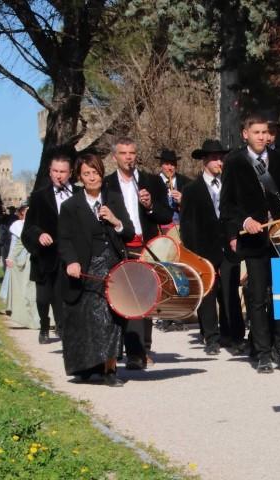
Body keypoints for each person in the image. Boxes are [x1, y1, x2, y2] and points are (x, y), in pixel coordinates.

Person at [220, 112, 280, 373]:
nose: (262, 137)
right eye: (257, 132)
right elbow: (227, 205)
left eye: (265, 132)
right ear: (245, 134)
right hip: (254, 239)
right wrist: (243, 222)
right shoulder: (234, 162)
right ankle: (262, 352)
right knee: (258, 296)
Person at [58, 153, 135, 386]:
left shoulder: (113, 199)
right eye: (87, 174)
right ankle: (87, 365)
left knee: (111, 317)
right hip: (85, 268)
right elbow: (65, 239)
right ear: (80, 178)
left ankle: (110, 369)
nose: (92, 178)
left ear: (102, 173)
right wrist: (71, 261)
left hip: (112, 265)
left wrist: (115, 220)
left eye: (96, 172)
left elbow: (129, 231)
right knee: (87, 319)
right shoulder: (71, 206)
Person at [104, 137, 172, 370]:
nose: (128, 157)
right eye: (123, 153)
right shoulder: (107, 185)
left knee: (144, 297)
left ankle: (141, 348)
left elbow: (166, 216)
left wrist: (151, 206)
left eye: (132, 153)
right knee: (127, 297)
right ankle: (133, 350)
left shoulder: (151, 182)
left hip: (146, 246)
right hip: (121, 246)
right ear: (115, 157)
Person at [181, 139, 248, 355]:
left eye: (222, 158)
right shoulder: (191, 189)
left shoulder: (230, 186)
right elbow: (187, 225)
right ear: (205, 161)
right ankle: (211, 337)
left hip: (229, 248)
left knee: (230, 292)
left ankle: (235, 336)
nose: (220, 162)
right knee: (207, 295)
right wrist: (193, 255)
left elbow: (236, 215)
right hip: (203, 250)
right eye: (215, 158)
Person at [22, 146, 79, 344]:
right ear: (49, 171)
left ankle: (62, 328)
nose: (59, 176)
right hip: (45, 256)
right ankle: (44, 324)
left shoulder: (78, 194)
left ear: (70, 173)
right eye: (55, 171)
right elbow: (28, 229)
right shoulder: (39, 196)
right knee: (43, 298)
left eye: (63, 172)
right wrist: (39, 235)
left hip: (69, 256)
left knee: (61, 296)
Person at [1, 204, 40, 329]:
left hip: (43, 263)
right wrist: (11, 258)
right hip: (27, 261)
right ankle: (34, 320)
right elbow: (17, 244)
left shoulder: (41, 225)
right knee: (30, 290)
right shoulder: (18, 226)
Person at [156, 149, 191, 229]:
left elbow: (194, 208)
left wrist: (183, 201)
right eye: (167, 164)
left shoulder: (187, 183)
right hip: (160, 229)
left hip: (182, 227)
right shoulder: (153, 182)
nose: (170, 168)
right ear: (161, 164)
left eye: (172, 164)